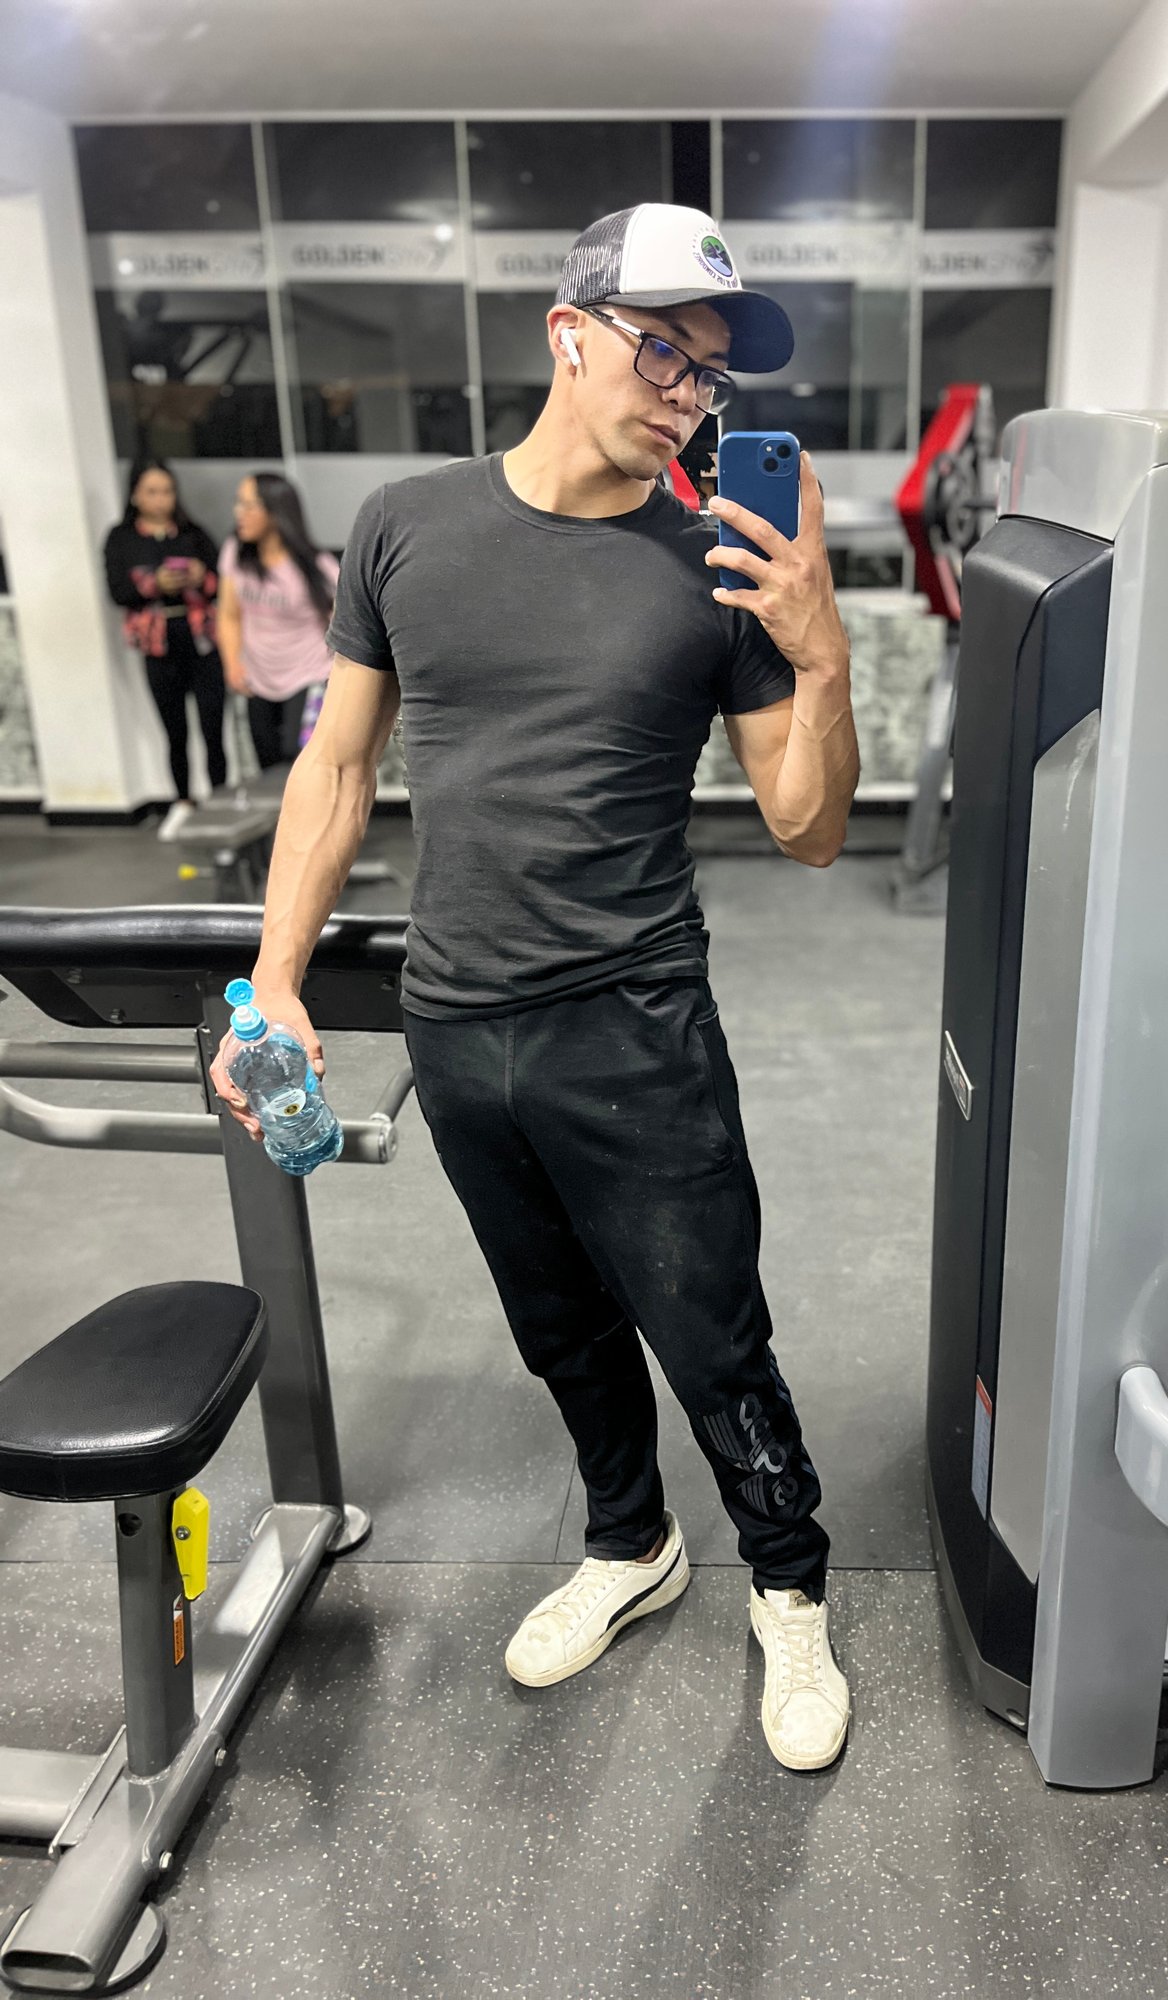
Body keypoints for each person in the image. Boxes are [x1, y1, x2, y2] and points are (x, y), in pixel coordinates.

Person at [211, 204, 860, 1771]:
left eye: (709, 373)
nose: (687, 395)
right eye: (663, 352)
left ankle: (790, 1586)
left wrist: (822, 648)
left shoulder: (715, 564)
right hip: (456, 1021)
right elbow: (338, 767)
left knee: (711, 1334)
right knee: (558, 1326)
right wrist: (275, 978)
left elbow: (811, 828)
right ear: (568, 334)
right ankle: (632, 1545)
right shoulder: (405, 526)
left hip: (634, 1025)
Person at [103, 456, 225, 841]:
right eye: (152, 491)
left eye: (167, 491)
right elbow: (118, 591)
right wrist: (155, 582)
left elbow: (222, 582)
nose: (161, 499)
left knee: (213, 728)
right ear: (135, 495)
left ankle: (220, 800)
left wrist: (199, 577)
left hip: (201, 641)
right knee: (175, 731)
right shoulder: (122, 539)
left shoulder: (193, 534)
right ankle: (182, 800)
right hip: (158, 646)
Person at [218, 471, 339, 770]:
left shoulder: (317, 566)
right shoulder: (235, 554)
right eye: (238, 504)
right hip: (259, 678)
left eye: (249, 506)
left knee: (301, 762)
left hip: (308, 675)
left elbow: (345, 626)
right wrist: (232, 663)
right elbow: (229, 615)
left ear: (275, 511)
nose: (239, 513)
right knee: (268, 762)